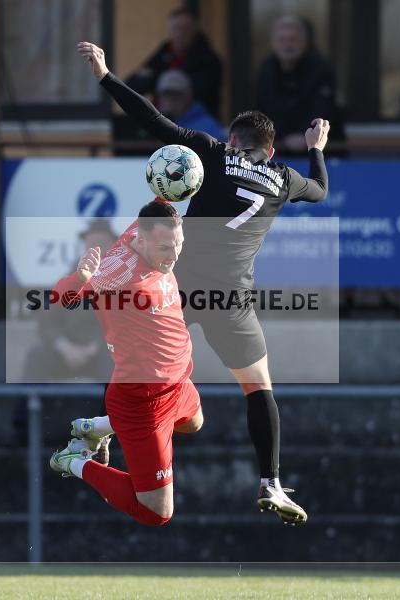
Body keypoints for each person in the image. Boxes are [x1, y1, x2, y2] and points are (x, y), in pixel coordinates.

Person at [78, 40, 331, 525]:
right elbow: (320, 192)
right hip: (229, 298)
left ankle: (102, 426)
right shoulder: (283, 178)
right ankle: (271, 482)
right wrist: (316, 150)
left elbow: (156, 124)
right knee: (258, 390)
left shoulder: (211, 152)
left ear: (231, 139)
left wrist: (106, 76)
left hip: (178, 286)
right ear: (270, 149)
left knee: (141, 362)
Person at [48, 201, 204, 527]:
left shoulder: (144, 227)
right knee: (156, 512)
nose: (174, 255)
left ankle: (99, 427)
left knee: (194, 422)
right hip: (144, 402)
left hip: (176, 383)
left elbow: (164, 192)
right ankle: (74, 461)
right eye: (165, 248)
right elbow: (59, 297)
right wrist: (80, 277)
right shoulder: (114, 273)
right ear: (142, 241)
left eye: (179, 245)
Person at [13, 220, 116, 454]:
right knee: (36, 357)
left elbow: (126, 322)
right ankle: (23, 429)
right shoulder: (69, 277)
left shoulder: (122, 280)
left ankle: (108, 436)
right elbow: (47, 319)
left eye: (101, 244)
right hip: (67, 350)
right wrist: (63, 346)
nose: (96, 249)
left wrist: (97, 346)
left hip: (104, 350)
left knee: (117, 367)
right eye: (91, 244)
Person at [256, 15, 346, 155]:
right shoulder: (266, 71)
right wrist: (280, 137)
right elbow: (261, 110)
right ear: (273, 44)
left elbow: (323, 109)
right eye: (282, 40)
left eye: (293, 39)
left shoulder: (321, 70)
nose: (288, 45)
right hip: (279, 150)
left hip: (321, 152)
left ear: (304, 42)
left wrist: (304, 135)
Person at [125, 7, 223, 117]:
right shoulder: (165, 51)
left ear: (194, 30)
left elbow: (196, 92)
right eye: (176, 29)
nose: (180, 34)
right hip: (159, 120)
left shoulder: (208, 59)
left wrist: (154, 79)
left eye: (185, 29)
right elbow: (131, 86)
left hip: (195, 123)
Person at [155, 69, 226, 141]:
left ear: (189, 97)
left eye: (177, 96)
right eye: (167, 95)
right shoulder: (153, 124)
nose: (171, 101)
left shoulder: (208, 125)